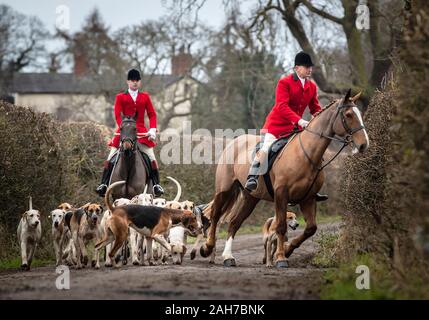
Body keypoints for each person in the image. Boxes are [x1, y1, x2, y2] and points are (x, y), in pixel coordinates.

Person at [244, 52, 328, 201]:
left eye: (311, 67)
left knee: (311, 151)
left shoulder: (312, 87)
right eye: (306, 67)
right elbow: (281, 106)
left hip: (295, 129)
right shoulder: (284, 82)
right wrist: (300, 121)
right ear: (297, 67)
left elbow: (315, 108)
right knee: (266, 148)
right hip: (276, 126)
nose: (309, 69)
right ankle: (253, 177)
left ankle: (311, 188)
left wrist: (321, 117)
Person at [95, 68, 164, 197]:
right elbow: (117, 115)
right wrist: (124, 128)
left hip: (141, 134)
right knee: (110, 158)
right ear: (128, 82)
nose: (135, 83)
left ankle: (156, 185)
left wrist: (153, 129)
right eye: (132, 80)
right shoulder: (120, 97)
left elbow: (152, 114)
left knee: (152, 158)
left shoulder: (145, 97)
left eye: (137, 80)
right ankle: (103, 184)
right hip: (124, 132)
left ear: (140, 82)